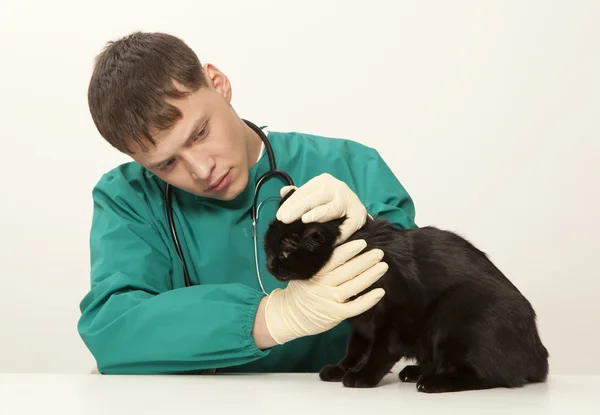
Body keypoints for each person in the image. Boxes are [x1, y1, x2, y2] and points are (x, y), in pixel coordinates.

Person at [78, 31, 418, 375]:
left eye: (200, 133)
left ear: (218, 83)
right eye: (167, 164)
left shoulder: (350, 164)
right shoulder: (128, 198)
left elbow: (420, 295)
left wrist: (370, 229)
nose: (201, 169)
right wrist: (273, 318)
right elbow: (113, 330)